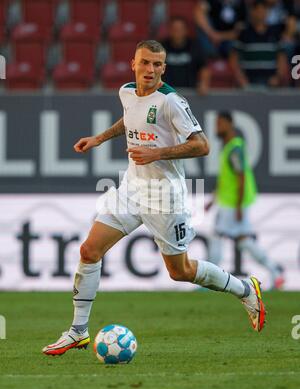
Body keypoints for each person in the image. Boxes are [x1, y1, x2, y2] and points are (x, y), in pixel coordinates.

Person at [42, 40, 266, 356]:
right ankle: (78, 331)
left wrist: (157, 152)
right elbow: (130, 120)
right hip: (132, 188)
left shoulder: (171, 102)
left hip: (165, 196)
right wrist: (99, 138)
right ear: (133, 63)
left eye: (157, 65)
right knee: (89, 250)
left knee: (181, 271)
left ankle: (245, 289)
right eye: (145, 63)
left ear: (164, 68)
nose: (150, 70)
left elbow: (202, 145)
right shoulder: (127, 92)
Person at [205, 111, 285, 289]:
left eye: (219, 124)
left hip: (233, 204)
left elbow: (241, 178)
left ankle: (208, 280)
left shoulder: (234, 148)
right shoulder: (230, 147)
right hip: (231, 202)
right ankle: (276, 273)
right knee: (244, 241)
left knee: (217, 236)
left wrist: (239, 206)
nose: (217, 128)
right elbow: (227, 178)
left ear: (229, 123)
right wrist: (213, 199)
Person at [229, 0, 290, 87]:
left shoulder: (275, 33)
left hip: (270, 83)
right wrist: (241, 78)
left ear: (267, 12)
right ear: (252, 12)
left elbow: (282, 58)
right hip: (249, 81)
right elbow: (233, 58)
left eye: (263, 10)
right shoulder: (244, 33)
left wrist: (277, 77)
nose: (260, 13)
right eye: (257, 10)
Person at [161, 16, 210, 94]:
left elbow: (204, 67)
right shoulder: (161, 47)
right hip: (166, 92)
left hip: (190, 92)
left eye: (180, 29)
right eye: (174, 29)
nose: (177, 32)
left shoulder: (194, 46)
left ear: (186, 30)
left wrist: (203, 83)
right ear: (170, 30)